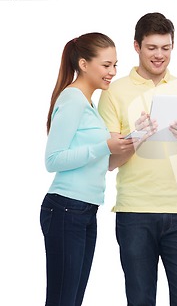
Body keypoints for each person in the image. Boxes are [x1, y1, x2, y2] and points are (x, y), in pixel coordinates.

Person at [98, 13, 177, 306]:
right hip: (134, 212)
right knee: (140, 299)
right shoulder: (114, 92)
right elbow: (109, 163)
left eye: (166, 47)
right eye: (152, 47)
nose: (159, 55)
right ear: (136, 46)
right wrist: (136, 138)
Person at [41, 32, 134, 306]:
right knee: (61, 301)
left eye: (115, 65)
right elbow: (53, 159)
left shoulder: (88, 104)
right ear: (83, 64)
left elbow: (102, 163)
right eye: (106, 65)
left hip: (84, 211)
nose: (113, 72)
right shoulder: (72, 99)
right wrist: (105, 145)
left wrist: (133, 140)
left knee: (71, 300)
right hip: (65, 210)